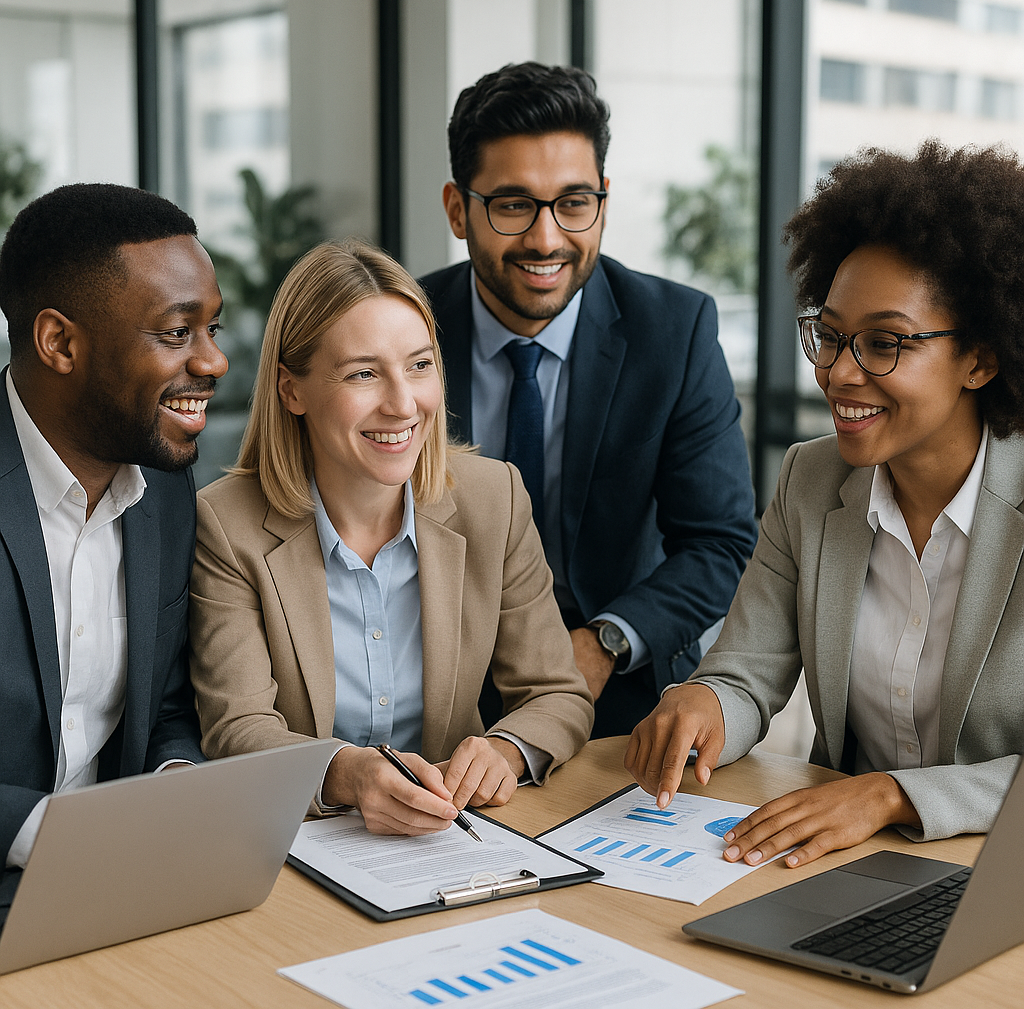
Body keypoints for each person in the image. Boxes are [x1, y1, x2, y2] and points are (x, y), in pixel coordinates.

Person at [626, 140, 1024, 869]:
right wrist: (705, 703)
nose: (839, 373)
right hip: (847, 866)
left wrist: (891, 796)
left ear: (982, 357)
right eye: (831, 336)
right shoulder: (811, 481)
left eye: (884, 343)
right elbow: (744, 671)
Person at [189, 239, 593, 837]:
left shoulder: (495, 499)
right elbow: (238, 726)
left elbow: (558, 693)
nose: (404, 404)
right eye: (363, 374)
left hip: (457, 838)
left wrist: (505, 749)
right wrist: (347, 774)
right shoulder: (227, 524)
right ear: (291, 390)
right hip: (301, 847)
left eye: (420, 365)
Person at [419, 62, 757, 738]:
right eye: (514, 205)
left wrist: (603, 643)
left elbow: (719, 543)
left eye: (573, 203)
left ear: (603, 199)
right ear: (459, 209)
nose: (546, 239)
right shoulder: (402, 324)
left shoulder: (675, 331)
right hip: (429, 691)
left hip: (619, 695)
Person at [0, 183, 228, 918]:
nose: (214, 363)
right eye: (176, 333)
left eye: (213, 330)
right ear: (60, 342)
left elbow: (166, 705)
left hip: (120, 892)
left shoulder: (164, 492)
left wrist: (174, 775)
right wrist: (49, 833)